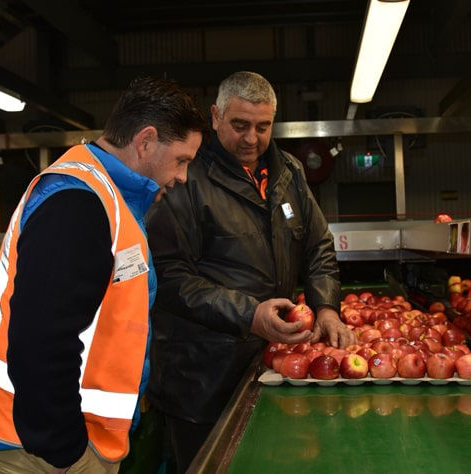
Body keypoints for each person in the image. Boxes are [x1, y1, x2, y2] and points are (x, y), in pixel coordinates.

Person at [0, 76, 207, 474]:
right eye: (181, 159)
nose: (182, 176)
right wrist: (66, 451)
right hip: (37, 447)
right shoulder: (78, 202)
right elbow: (41, 338)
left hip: (59, 436)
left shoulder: (109, 197)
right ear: (145, 141)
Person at [145, 71, 355, 472]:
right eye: (239, 125)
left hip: (274, 365)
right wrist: (249, 314)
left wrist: (325, 307)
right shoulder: (186, 178)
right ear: (215, 117)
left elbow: (318, 247)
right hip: (203, 380)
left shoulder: (289, 173)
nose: (252, 139)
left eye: (263, 127)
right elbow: (169, 276)